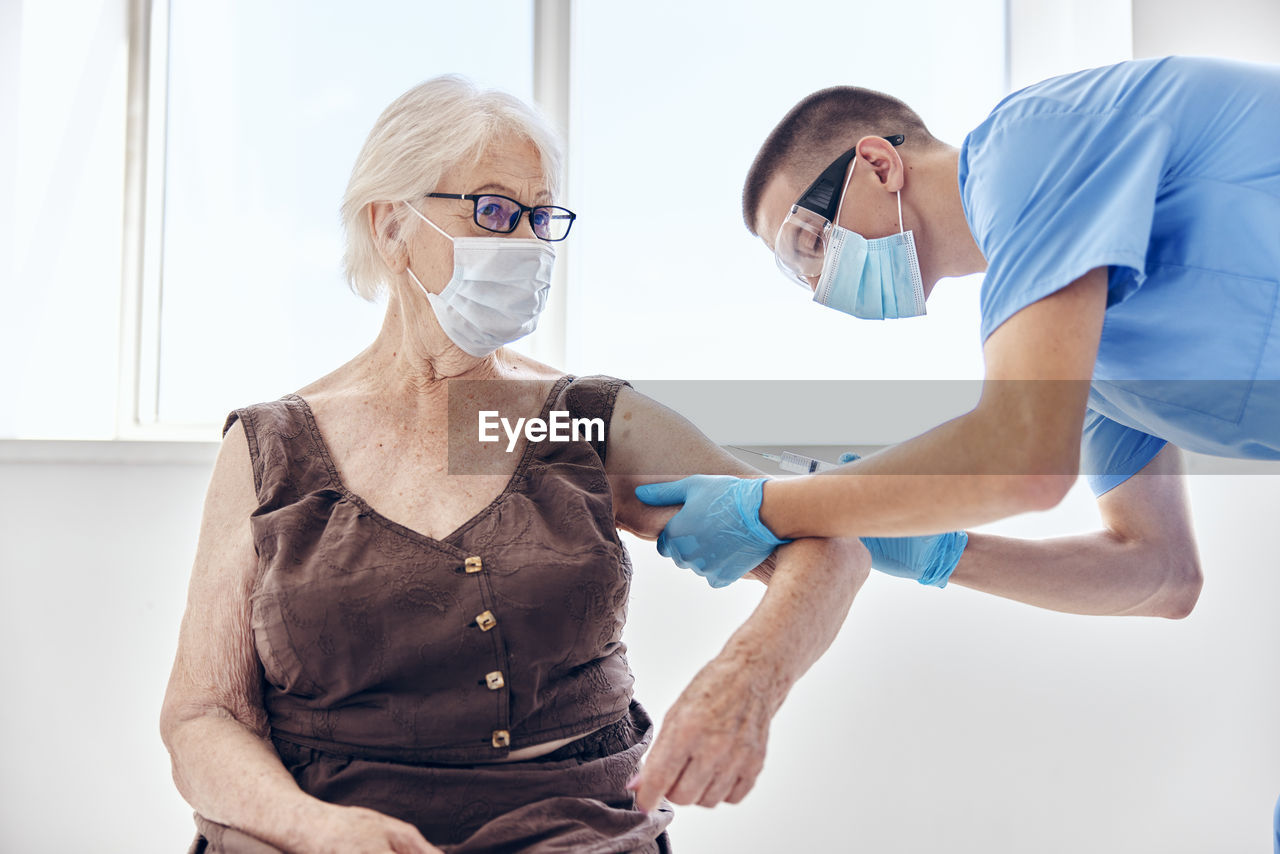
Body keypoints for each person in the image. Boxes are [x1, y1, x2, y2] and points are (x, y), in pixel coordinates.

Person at [158, 74, 903, 854]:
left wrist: (747, 679)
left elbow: (827, 542)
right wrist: (318, 830)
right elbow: (202, 716)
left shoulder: (586, 418)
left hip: (576, 829)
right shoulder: (269, 445)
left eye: (540, 217)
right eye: (492, 211)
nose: (525, 244)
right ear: (390, 226)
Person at [631, 55, 1280, 843]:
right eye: (797, 272)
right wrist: (931, 549)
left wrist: (765, 504)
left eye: (807, 242)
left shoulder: (1031, 141)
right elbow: (1159, 574)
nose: (817, 284)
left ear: (877, 162)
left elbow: (1021, 459)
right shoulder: (1093, 364)